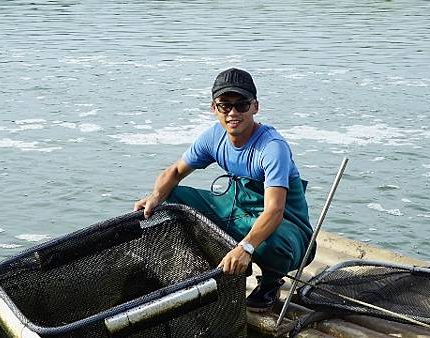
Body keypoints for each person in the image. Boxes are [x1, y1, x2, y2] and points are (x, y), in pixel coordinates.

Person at [134, 68, 315, 313]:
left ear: (255, 107)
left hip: (286, 225)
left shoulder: (272, 147)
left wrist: (246, 247)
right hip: (236, 208)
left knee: (271, 245)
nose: (233, 113)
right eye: (224, 106)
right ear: (214, 108)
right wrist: (155, 197)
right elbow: (175, 172)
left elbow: (275, 210)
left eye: (241, 105)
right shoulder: (213, 137)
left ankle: (270, 283)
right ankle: (205, 264)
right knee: (170, 199)